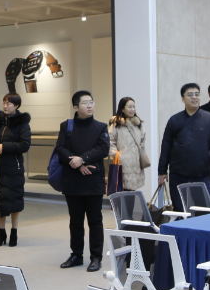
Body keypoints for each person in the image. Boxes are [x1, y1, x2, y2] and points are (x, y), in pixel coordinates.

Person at [56, 90, 109, 272]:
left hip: (93, 180)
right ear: (75, 107)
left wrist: (83, 159)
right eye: (85, 103)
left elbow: (103, 149)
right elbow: (60, 149)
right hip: (73, 180)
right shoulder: (67, 126)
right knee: (75, 221)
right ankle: (76, 255)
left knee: (95, 220)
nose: (89, 105)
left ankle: (96, 257)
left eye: (91, 102)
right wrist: (77, 163)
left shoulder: (100, 127)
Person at [157, 83, 210, 214]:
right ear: (182, 99)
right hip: (178, 174)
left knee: (203, 212)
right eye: (190, 95)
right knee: (180, 211)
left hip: (202, 174)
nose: (194, 97)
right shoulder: (174, 120)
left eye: (197, 94)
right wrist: (162, 171)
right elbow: (166, 145)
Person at [0, 93, 31, 247]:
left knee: (14, 202)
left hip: (13, 169)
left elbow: (25, 145)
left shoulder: (22, 123)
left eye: (9, 103)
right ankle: (1, 233)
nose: (5, 106)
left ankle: (14, 232)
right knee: (0, 201)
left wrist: (4, 147)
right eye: (4, 102)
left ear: (16, 105)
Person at [108, 97, 148, 193]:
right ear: (122, 109)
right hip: (122, 165)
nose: (132, 109)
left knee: (132, 194)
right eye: (129, 107)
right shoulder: (116, 124)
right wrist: (118, 155)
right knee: (121, 194)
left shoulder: (138, 124)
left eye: (134, 107)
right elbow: (110, 142)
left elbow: (142, 142)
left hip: (136, 166)